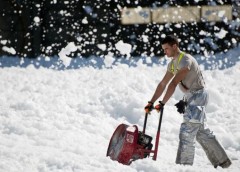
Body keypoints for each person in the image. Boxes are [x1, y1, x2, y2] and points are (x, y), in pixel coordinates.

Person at [144, 35, 231, 168]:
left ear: (175, 46)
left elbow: (173, 83)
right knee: (201, 132)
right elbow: (163, 84)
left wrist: (162, 103)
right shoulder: (173, 64)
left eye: (166, 48)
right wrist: (151, 102)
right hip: (191, 97)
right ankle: (223, 161)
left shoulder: (185, 60)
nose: (164, 52)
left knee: (187, 131)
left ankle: (183, 167)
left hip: (198, 96)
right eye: (163, 49)